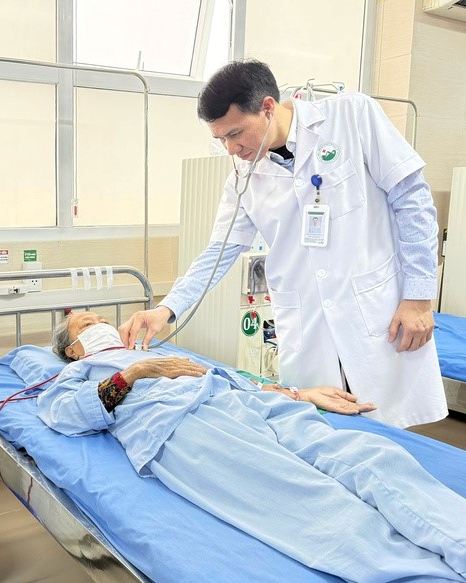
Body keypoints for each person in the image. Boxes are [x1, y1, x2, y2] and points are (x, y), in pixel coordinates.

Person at [119, 60, 447, 429]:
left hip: (375, 311)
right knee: (320, 432)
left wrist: (419, 296)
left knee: (388, 431)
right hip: (308, 329)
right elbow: (217, 253)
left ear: (268, 107)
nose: (231, 149)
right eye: (221, 139)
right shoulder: (243, 177)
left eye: (236, 133)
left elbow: (413, 200)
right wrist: (165, 310)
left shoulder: (351, 116)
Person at [39, 312, 466, 581]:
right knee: (311, 501)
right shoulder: (76, 375)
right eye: (87, 325)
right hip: (181, 424)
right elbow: (68, 416)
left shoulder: (156, 350)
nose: (101, 324)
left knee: (373, 458)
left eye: (102, 319)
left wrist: (298, 394)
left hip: (243, 402)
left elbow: (232, 379)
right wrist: (136, 373)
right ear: (72, 350)